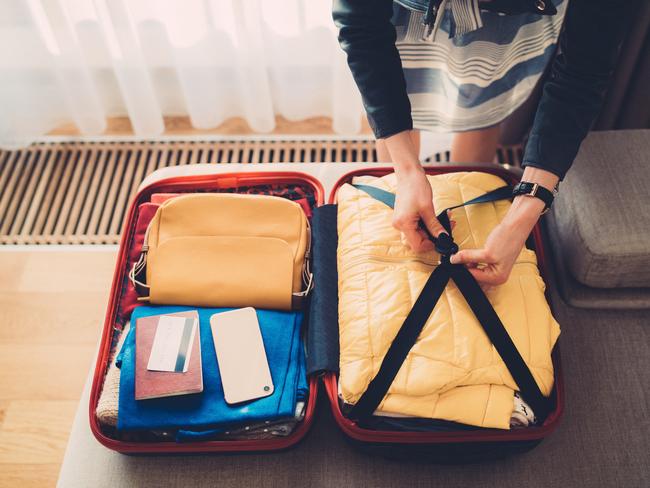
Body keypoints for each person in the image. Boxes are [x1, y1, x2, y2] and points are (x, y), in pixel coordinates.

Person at [333, 0, 627, 285]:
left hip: (504, 35)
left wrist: (521, 218)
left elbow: (585, 68)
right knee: (397, 108)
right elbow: (361, 26)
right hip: (405, 21)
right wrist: (407, 173)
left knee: (483, 110)